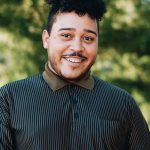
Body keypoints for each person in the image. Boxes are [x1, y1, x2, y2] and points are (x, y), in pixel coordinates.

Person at [0, 0, 150, 149]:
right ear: (46, 39)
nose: (77, 47)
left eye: (88, 38)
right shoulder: (8, 99)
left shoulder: (123, 103)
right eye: (66, 35)